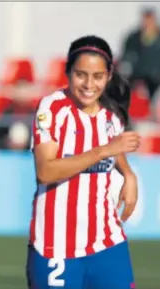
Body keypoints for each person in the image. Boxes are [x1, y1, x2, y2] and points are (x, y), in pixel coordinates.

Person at [26, 35, 141, 289]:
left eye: (97, 76)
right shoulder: (52, 109)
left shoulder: (112, 115)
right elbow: (46, 171)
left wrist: (128, 174)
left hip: (106, 242)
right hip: (55, 247)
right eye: (81, 74)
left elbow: (115, 148)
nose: (89, 84)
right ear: (68, 72)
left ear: (108, 76)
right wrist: (103, 151)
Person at [119, 7, 160, 110]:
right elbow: (126, 56)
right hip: (138, 78)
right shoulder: (133, 38)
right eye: (145, 19)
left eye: (150, 19)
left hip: (156, 79)